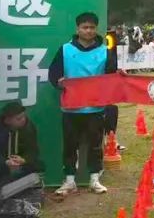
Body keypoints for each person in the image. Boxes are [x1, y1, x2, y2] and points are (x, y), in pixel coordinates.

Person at [48, 12, 116, 196]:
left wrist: (120, 76)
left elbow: (112, 76)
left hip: (95, 107)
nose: (88, 31)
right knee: (70, 145)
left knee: (95, 145)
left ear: (96, 29)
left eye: (92, 27)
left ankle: (94, 179)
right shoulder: (65, 50)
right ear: (77, 29)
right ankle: (69, 180)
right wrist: (58, 82)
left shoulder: (105, 51)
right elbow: (53, 73)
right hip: (71, 107)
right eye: (85, 27)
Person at [0, 102, 44, 191]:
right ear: (8, 120)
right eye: (19, 119)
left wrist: (24, 160)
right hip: (3, 165)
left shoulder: (28, 127)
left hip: (20, 163)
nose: (23, 120)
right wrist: (5, 162)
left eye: (24, 116)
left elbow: (33, 150)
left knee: (38, 165)